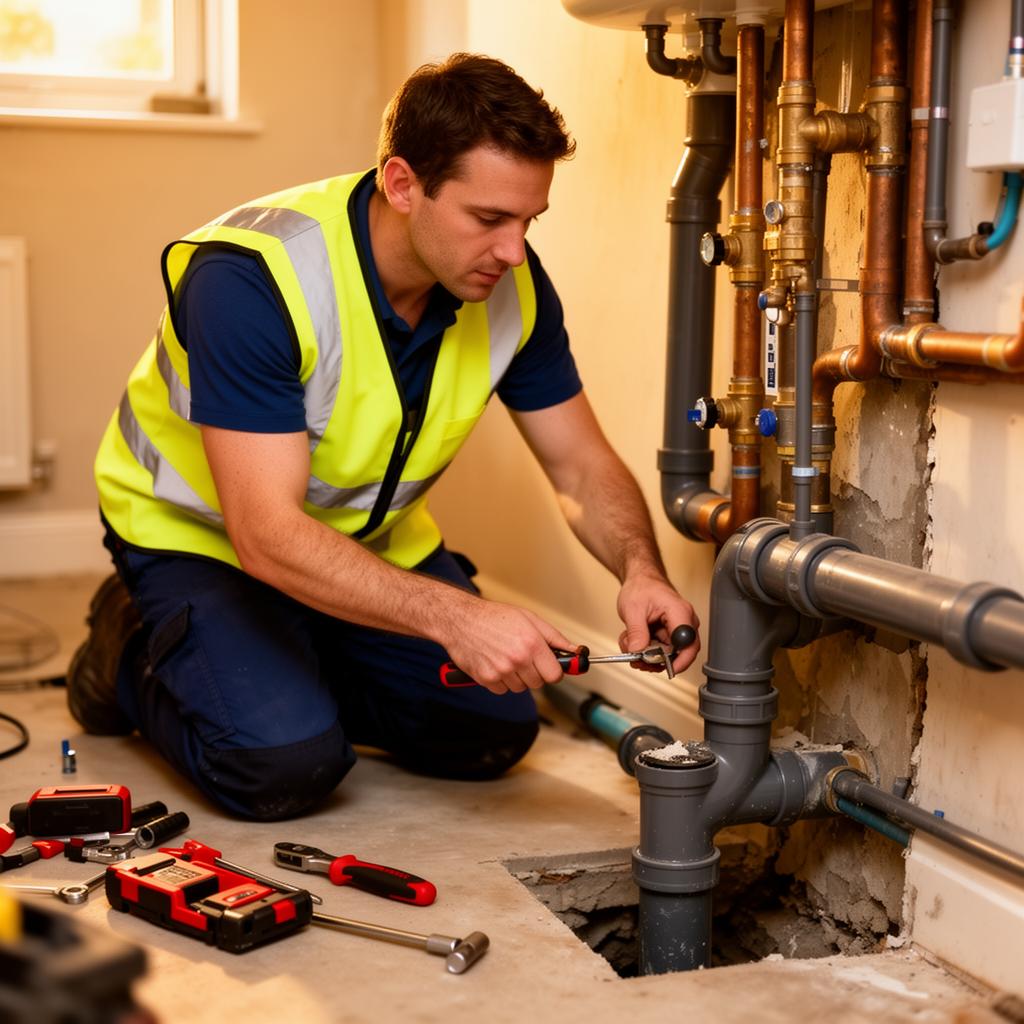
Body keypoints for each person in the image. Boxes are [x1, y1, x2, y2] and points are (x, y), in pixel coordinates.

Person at [68, 53, 699, 821]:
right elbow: (265, 533)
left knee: (490, 730)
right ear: (403, 184)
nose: (513, 249)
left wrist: (641, 570)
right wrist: (457, 616)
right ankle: (129, 645)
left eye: (528, 220)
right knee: (283, 765)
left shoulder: (509, 287)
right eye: (489, 218)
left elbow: (579, 464)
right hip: (206, 542)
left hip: (365, 544)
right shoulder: (253, 280)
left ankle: (283, 654)